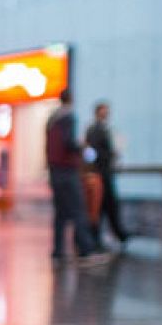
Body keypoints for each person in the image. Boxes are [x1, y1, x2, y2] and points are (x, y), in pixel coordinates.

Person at [46, 93, 109, 266]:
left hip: (54, 171)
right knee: (78, 210)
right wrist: (82, 147)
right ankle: (85, 250)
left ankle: (58, 251)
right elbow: (69, 143)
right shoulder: (68, 117)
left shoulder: (52, 119)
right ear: (71, 100)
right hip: (67, 171)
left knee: (60, 213)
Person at [85, 100, 130, 248]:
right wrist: (110, 155)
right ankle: (112, 234)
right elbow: (94, 153)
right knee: (102, 206)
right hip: (101, 174)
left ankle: (114, 234)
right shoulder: (96, 130)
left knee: (105, 206)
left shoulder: (101, 130)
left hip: (103, 173)